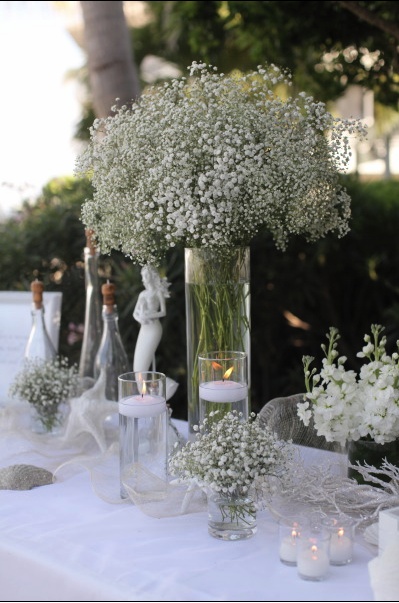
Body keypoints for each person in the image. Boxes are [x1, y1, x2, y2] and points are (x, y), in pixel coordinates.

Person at [133, 265, 171, 372]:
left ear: (151, 276)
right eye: (142, 276)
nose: (143, 278)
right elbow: (134, 313)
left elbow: (163, 312)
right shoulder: (142, 294)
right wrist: (141, 319)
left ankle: (155, 384)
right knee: (140, 360)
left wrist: (148, 316)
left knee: (148, 355)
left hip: (154, 327)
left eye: (145, 275)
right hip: (144, 327)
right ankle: (143, 386)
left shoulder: (158, 292)